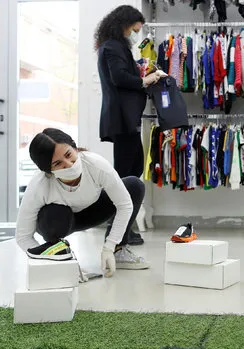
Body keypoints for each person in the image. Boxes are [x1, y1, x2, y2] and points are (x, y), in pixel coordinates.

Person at [15, 128, 149, 278]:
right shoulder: (39, 185)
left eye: (68, 155)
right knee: (53, 215)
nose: (69, 164)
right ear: (47, 170)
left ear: (74, 147)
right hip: (59, 220)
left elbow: (124, 204)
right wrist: (51, 259)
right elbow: (23, 236)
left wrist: (110, 246)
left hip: (93, 211)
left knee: (134, 186)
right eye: (58, 163)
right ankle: (58, 252)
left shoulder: (95, 164)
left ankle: (119, 250)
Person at [95, 5, 165, 246]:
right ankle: (118, 230)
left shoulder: (114, 47)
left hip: (126, 118)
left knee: (132, 169)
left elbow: (123, 73)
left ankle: (122, 226)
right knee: (126, 175)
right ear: (125, 24)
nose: (137, 32)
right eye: (136, 27)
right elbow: (120, 77)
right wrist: (146, 79)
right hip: (122, 118)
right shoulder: (113, 47)